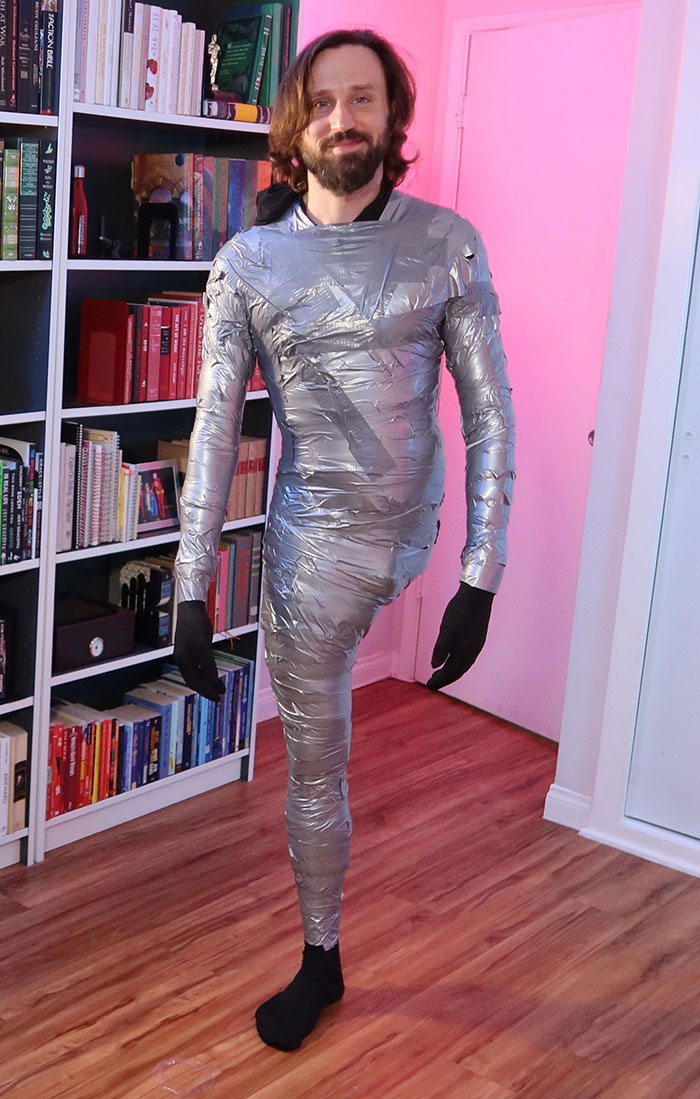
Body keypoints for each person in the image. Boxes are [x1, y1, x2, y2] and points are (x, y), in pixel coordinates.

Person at [173, 27, 515, 1052]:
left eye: (363, 98)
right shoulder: (249, 264)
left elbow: (489, 413)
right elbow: (214, 428)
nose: (342, 119)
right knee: (317, 767)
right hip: (309, 552)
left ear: (392, 115)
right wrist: (191, 584)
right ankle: (320, 956)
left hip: (414, 527)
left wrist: (482, 572)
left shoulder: (446, 244)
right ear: (297, 125)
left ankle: (322, 951)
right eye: (323, 102)